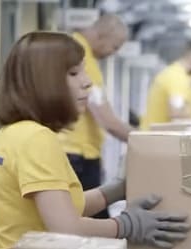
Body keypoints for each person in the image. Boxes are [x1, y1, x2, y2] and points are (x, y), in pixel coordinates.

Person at [0, 32, 190, 249]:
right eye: (74, 73)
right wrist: (125, 225)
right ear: (43, 83)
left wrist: (114, 190)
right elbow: (66, 228)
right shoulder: (36, 139)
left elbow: (63, 208)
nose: (87, 82)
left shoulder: (13, 132)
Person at [62, 14, 135, 218]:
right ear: (102, 35)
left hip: (81, 154)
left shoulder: (77, 52)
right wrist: (147, 142)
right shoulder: (81, 56)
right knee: (88, 220)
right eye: (115, 46)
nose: (114, 53)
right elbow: (107, 120)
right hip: (77, 156)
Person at [141, 40, 191, 129]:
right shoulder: (177, 77)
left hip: (156, 135)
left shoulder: (174, 73)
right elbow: (177, 113)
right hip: (155, 138)